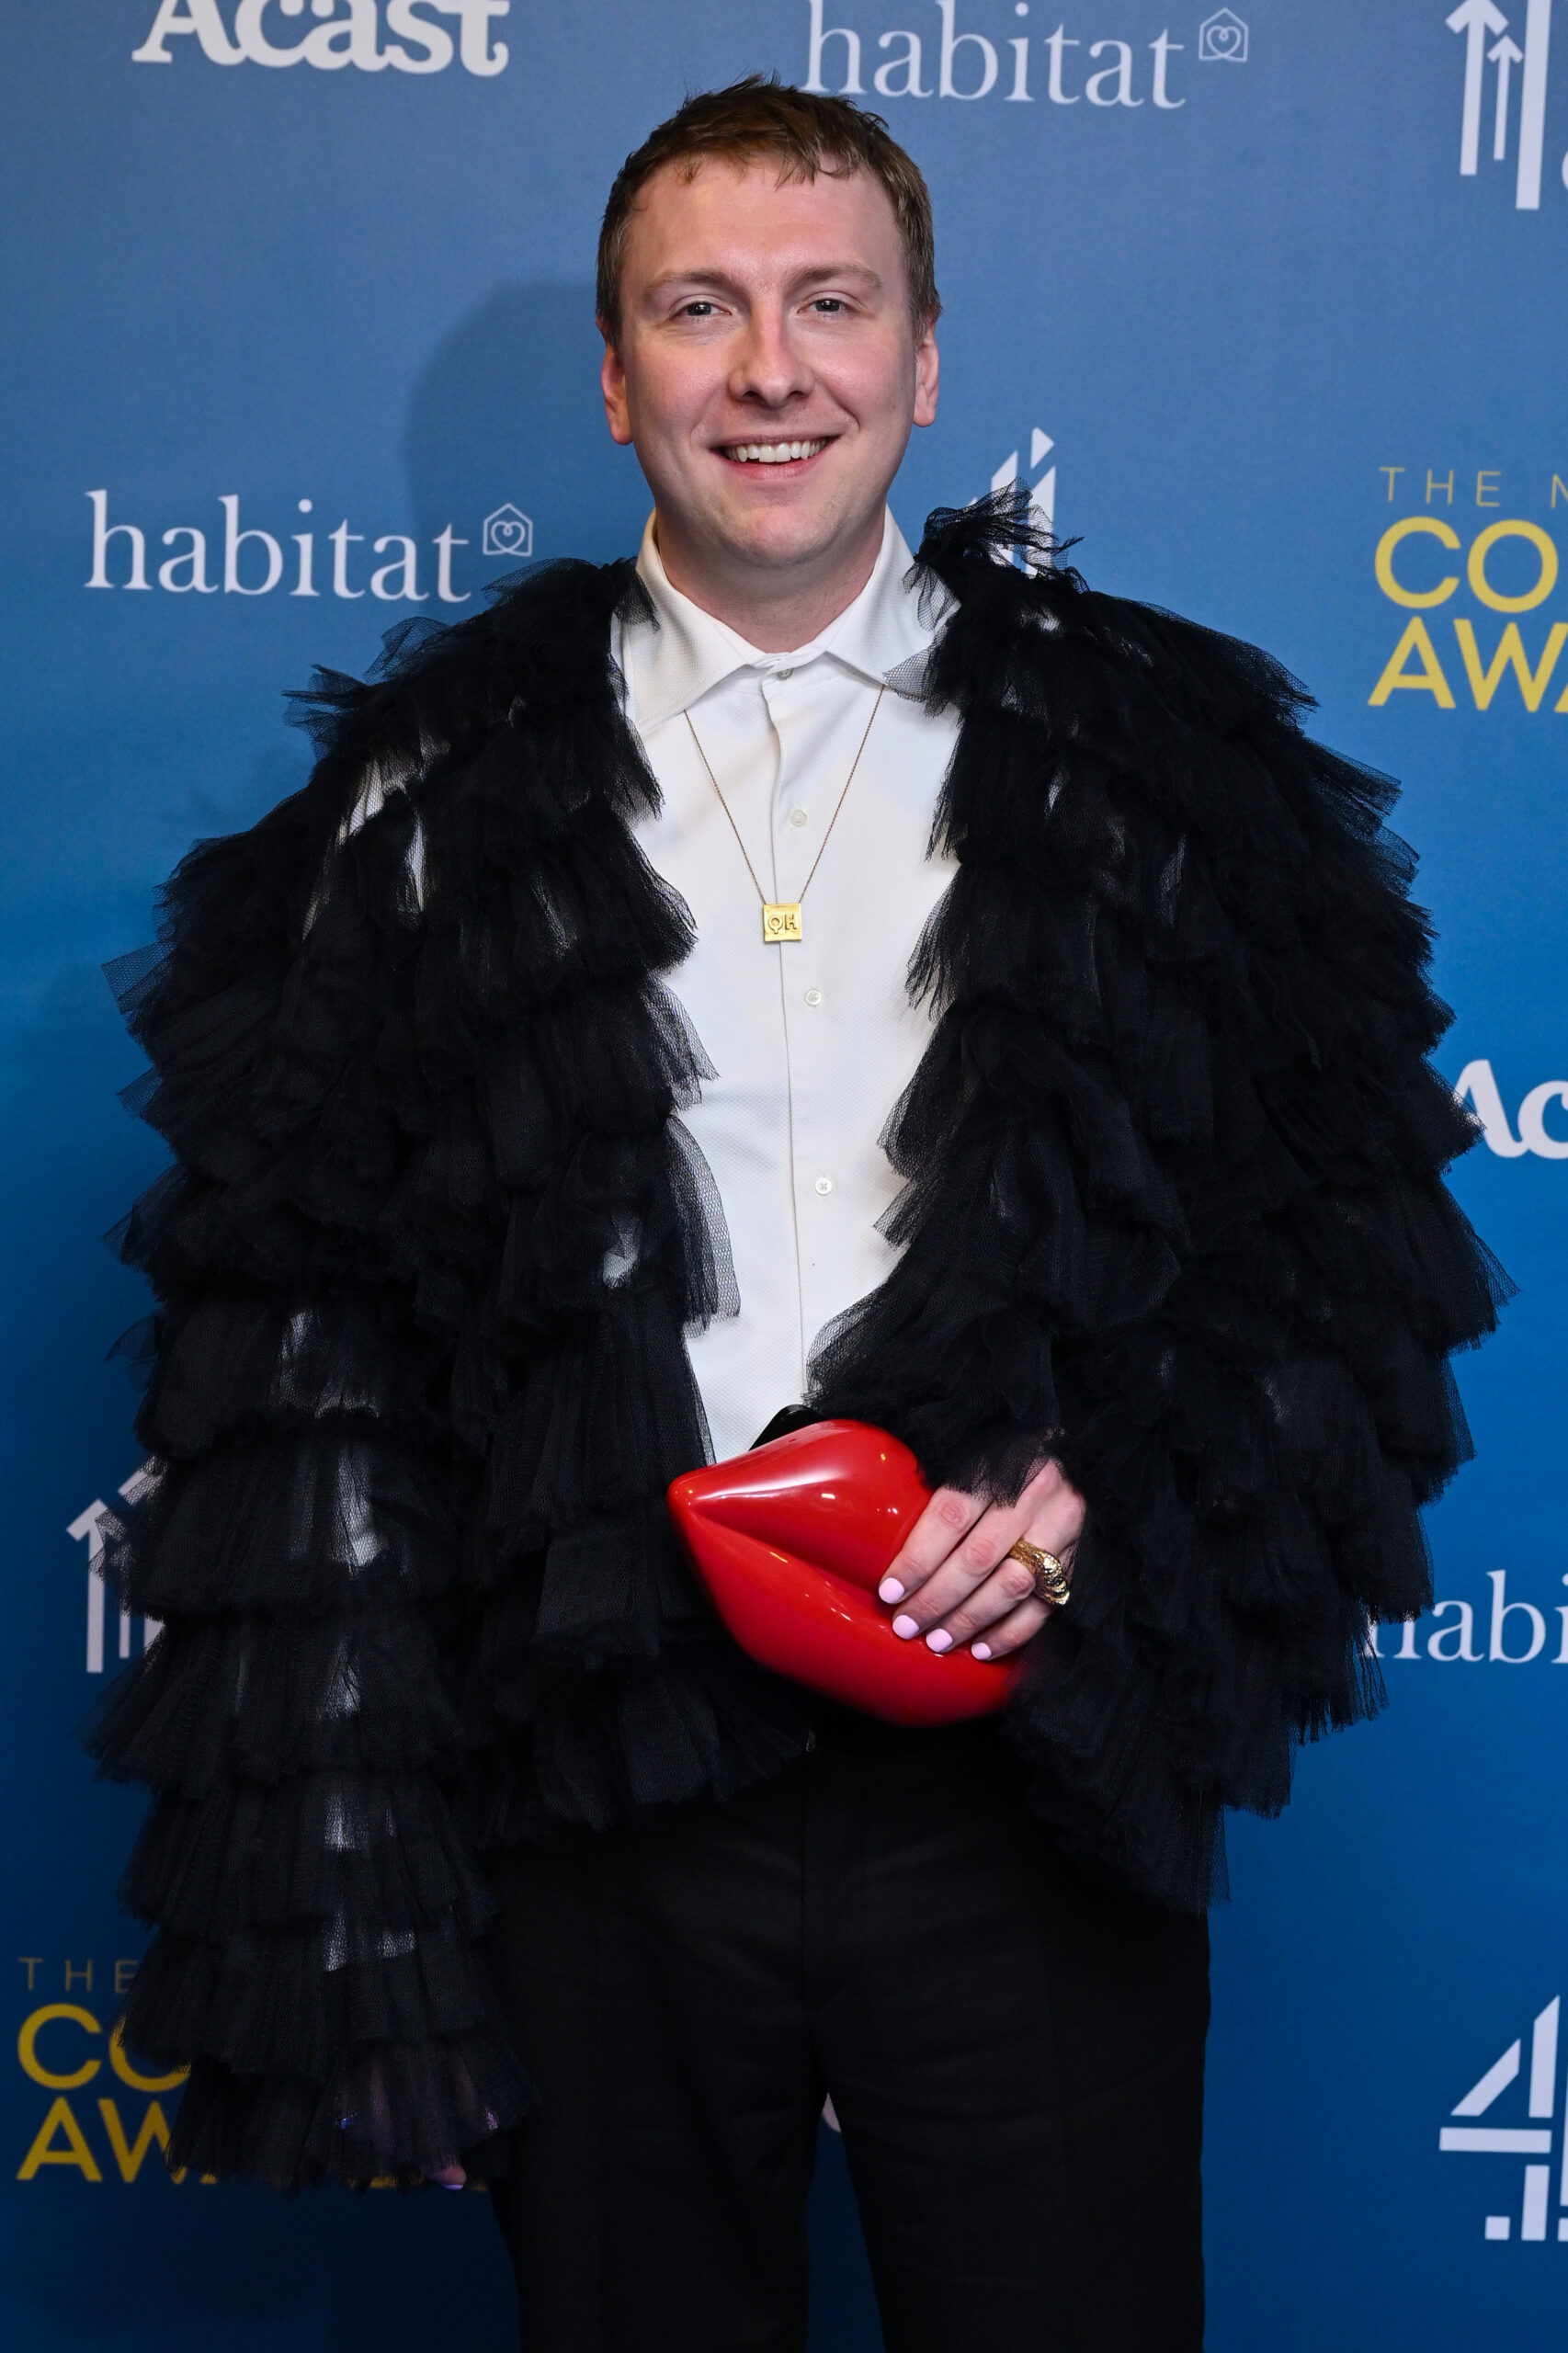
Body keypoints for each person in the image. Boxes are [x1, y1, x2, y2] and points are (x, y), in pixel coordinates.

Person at [91, 75, 1503, 2353]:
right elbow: (296, 1352)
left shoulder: (1161, 768)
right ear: (617, 373)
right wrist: (356, 1915)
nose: (772, 369)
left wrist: (1090, 1509)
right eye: (701, 308)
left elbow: (1337, 1255)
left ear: (924, 360)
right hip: (597, 1810)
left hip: (1024, 1785)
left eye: (830, 303)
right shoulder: (428, 803)